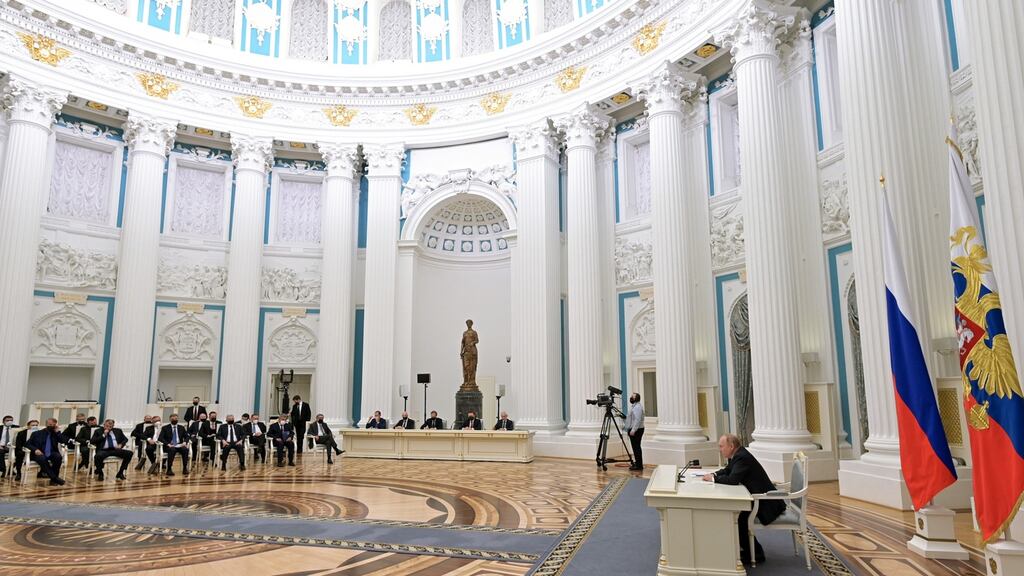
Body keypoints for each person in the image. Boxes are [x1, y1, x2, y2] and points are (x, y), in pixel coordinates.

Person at [702, 434, 785, 565]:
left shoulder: (742, 457)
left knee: (739, 518)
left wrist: (712, 479)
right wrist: (714, 474)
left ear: (731, 446)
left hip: (765, 502)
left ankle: (756, 554)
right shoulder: (737, 455)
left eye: (721, 446)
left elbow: (733, 480)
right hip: (756, 496)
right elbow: (727, 471)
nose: (720, 449)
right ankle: (746, 549)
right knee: (737, 514)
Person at [27, 418, 67, 485]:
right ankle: (55, 478)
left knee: (58, 457)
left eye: (53, 425)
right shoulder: (37, 433)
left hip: (51, 452)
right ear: (46, 424)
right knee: (42, 458)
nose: (51, 426)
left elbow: (64, 441)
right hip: (38, 453)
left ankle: (53, 480)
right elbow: (28, 444)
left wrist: (58, 432)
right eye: (50, 424)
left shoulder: (55, 434)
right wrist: (35, 449)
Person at [624, 392, 645, 471]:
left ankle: (639, 466)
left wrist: (633, 430)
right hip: (635, 429)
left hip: (637, 430)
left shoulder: (637, 407)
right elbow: (631, 418)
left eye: (632, 397)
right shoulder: (634, 406)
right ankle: (638, 463)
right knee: (635, 447)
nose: (631, 398)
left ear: (636, 398)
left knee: (636, 448)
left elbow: (637, 420)